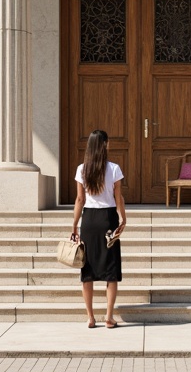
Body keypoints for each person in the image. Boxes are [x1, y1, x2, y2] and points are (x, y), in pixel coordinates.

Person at [71, 129, 126, 328]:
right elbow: (118, 197)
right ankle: (109, 317)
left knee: (88, 269)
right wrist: (123, 218)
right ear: (104, 144)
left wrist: (74, 225)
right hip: (108, 219)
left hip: (89, 220)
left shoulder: (81, 169)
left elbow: (79, 200)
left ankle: (90, 317)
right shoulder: (114, 169)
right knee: (110, 269)